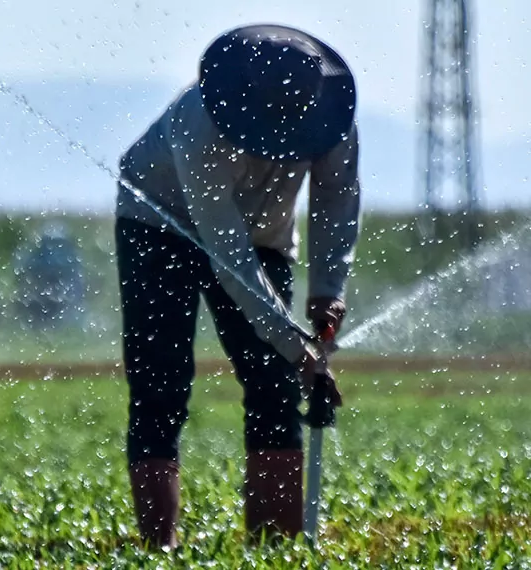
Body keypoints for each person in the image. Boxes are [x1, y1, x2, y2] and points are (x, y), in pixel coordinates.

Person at [114, 23, 360, 548]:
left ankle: (275, 547)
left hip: (263, 238)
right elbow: (228, 259)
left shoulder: (333, 119)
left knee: (274, 384)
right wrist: (300, 347)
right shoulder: (198, 125)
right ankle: (160, 547)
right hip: (159, 225)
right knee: (161, 384)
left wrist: (327, 293)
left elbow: (336, 203)